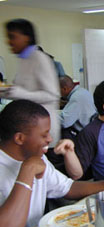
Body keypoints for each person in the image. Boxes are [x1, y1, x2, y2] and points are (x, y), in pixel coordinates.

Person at [0, 100, 104, 227]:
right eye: (44, 135)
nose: (50, 139)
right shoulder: (27, 164)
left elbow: (68, 187)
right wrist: (27, 172)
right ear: (19, 138)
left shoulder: (36, 157)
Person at [1, 19, 60, 147]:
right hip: (29, 127)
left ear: (26, 38)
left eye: (13, 37)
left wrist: (20, 93)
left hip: (43, 129)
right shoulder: (23, 60)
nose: (9, 42)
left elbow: (52, 95)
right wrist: (6, 92)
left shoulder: (39, 58)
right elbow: (21, 89)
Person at [59, 75, 97, 139]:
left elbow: (65, 122)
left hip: (82, 133)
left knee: (62, 131)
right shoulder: (82, 91)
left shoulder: (76, 98)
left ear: (65, 89)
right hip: (89, 128)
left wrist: (51, 116)